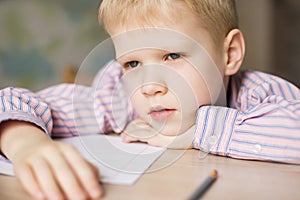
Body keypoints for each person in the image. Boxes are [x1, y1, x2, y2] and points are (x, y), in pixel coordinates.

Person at [0, 0, 299, 199]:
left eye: (172, 55)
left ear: (229, 53)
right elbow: (15, 102)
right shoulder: (120, 96)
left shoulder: (259, 94)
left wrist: (193, 134)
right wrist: (25, 145)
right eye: (133, 64)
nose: (150, 86)